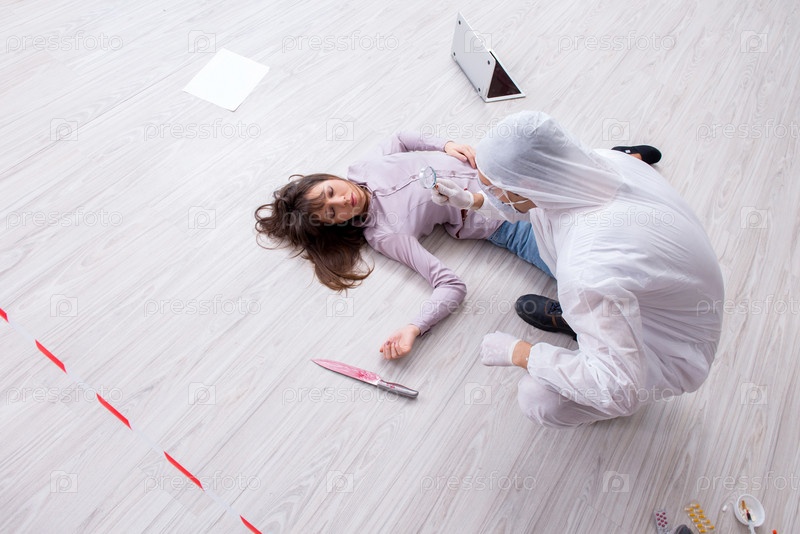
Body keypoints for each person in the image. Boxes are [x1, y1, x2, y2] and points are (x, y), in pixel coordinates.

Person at [433, 111, 724, 428]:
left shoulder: (588, 267)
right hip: (675, 295)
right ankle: (587, 323)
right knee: (585, 296)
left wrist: (521, 353)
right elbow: (529, 203)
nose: (490, 194)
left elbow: (620, 388)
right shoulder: (600, 163)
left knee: (538, 398)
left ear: (526, 184)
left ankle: (590, 333)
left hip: (671, 348)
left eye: (493, 188)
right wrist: (472, 200)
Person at [254, 132, 553, 359]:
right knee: (571, 266)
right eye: (332, 212)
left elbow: (400, 139)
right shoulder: (384, 234)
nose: (343, 200)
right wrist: (415, 327)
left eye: (331, 191)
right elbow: (451, 285)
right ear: (336, 224)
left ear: (328, 178)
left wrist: (445, 145)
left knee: (578, 198)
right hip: (502, 223)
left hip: (504, 172)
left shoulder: (363, 168)